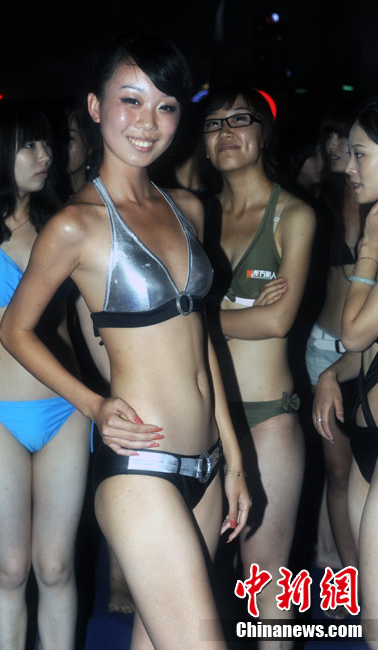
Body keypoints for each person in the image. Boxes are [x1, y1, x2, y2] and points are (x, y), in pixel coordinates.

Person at [0, 31, 251, 650]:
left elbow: (200, 339)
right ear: (95, 106)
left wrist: (235, 458)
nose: (148, 122)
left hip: (206, 466)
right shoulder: (75, 225)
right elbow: (15, 330)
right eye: (130, 100)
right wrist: (93, 404)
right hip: (141, 470)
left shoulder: (187, 207)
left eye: (166, 106)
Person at [0, 99, 91, 650]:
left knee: (55, 567)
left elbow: (91, 326)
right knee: (7, 567)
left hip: (66, 412)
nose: (45, 155)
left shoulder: (65, 227)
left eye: (46, 142)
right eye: (28, 144)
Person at [200, 86, 315, 645]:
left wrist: (200, 318)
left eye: (239, 119)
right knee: (189, 572)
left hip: (268, 417)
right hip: (200, 417)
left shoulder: (293, 214)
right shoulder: (192, 214)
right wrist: (241, 314)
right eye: (212, 123)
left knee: (265, 583)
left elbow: (277, 321)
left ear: (264, 133)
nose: (225, 133)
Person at [314, 96, 378, 648]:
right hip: (366, 429)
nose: (349, 166)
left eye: (360, 154)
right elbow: (360, 348)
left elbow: (355, 331)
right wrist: (332, 372)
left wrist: (370, 251)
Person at [305, 98, 363, 576]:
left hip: (368, 351)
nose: (333, 144)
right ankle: (350, 577)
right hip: (326, 347)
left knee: (363, 469)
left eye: (342, 135)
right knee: (339, 470)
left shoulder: (374, 199)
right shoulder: (315, 202)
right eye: (328, 135)